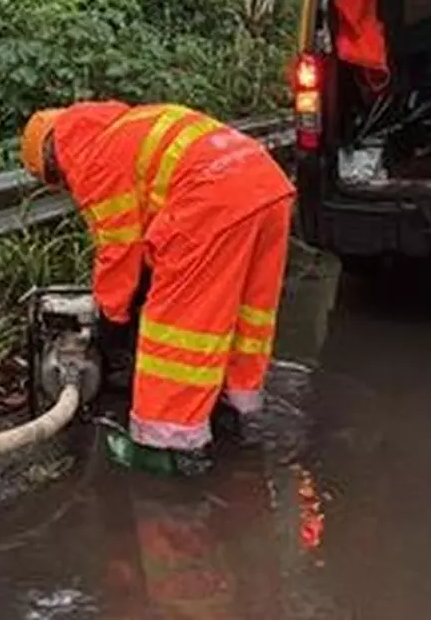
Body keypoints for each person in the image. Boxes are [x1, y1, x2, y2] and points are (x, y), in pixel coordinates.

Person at [19, 101, 298, 475]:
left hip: (212, 201)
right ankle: (236, 410)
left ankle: (167, 444)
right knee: (246, 314)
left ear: (53, 166)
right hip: (267, 186)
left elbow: (119, 250)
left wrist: (111, 318)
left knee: (179, 327)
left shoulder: (92, 161)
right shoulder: (128, 127)